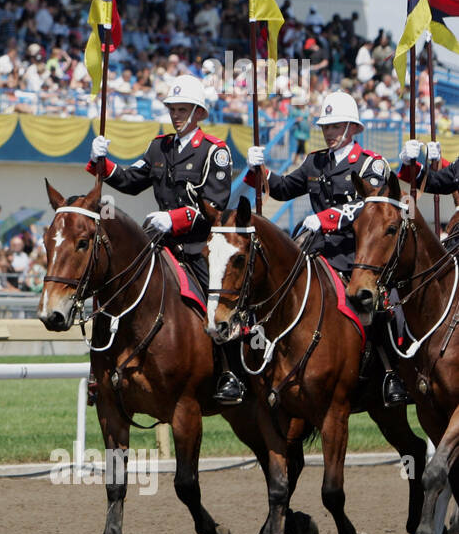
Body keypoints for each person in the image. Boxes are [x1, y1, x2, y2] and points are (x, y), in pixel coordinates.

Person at [88, 73, 243, 404]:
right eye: (172, 109)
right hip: (159, 244)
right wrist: (104, 163)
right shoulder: (160, 147)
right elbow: (131, 181)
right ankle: (99, 370)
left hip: (198, 247)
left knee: (218, 303)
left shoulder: (215, 153)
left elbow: (215, 206)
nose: (176, 115)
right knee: (112, 287)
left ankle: (229, 371)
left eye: (183, 109)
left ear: (199, 113)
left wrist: (173, 219)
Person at [246, 90, 405, 406]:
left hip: (355, 253)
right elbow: (282, 188)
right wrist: (260, 170)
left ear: (354, 128)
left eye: (336, 126)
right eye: (326, 127)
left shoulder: (371, 164)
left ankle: (391, 373)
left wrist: (328, 218)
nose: (329, 133)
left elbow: (367, 208)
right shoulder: (314, 161)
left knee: (378, 306)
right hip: (316, 250)